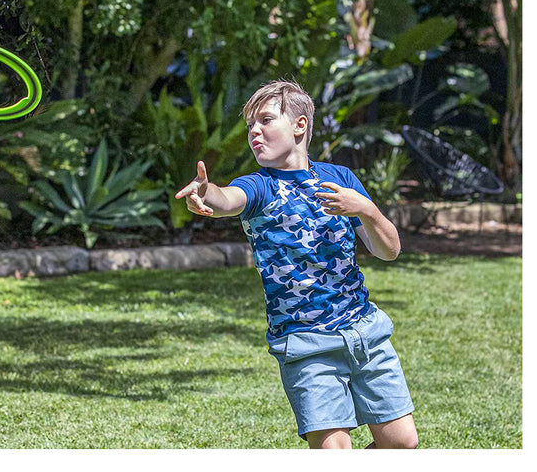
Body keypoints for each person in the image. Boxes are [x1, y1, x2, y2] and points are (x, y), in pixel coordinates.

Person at [175, 79, 418, 449]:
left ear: (299, 125)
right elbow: (228, 199)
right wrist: (206, 192)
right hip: (306, 344)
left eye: (266, 120)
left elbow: (389, 250)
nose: (254, 131)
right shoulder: (259, 186)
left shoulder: (340, 180)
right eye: (250, 125)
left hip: (364, 333)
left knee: (402, 444)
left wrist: (367, 209)